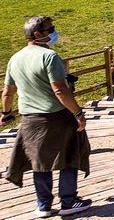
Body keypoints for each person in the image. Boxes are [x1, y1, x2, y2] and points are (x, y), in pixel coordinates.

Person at [3, 16, 92, 217]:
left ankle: (43, 205)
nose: (53, 31)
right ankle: (69, 202)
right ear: (37, 34)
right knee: (69, 156)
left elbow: (7, 92)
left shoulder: (15, 58)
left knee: (39, 162)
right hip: (56, 116)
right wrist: (78, 113)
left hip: (29, 120)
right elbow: (60, 90)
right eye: (50, 29)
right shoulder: (49, 57)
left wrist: (6, 114)